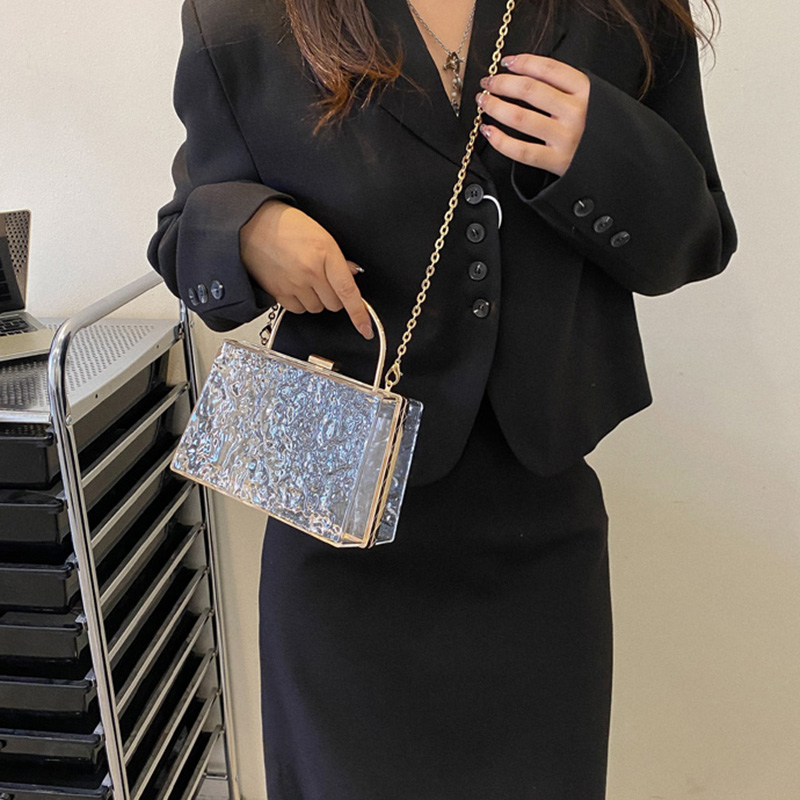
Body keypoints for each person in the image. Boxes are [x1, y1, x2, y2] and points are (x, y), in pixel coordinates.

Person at [147, 0, 738, 796]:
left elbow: (696, 239)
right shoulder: (244, 16)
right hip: (338, 534)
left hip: (539, 538)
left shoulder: (618, 11)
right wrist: (249, 230)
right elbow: (181, 233)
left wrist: (601, 149)